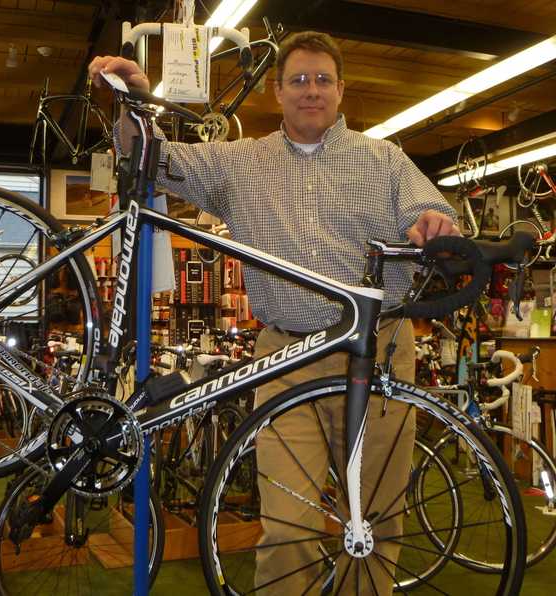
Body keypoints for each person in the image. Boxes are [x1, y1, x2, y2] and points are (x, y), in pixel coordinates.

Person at [90, 31, 459, 595]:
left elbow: (428, 207)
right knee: (289, 528)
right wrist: (134, 100)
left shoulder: (385, 158)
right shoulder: (241, 162)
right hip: (285, 356)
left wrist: (434, 223)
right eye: (299, 80)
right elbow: (154, 162)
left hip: (379, 354)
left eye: (322, 80)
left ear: (341, 90)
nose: (311, 91)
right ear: (278, 92)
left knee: (377, 523)